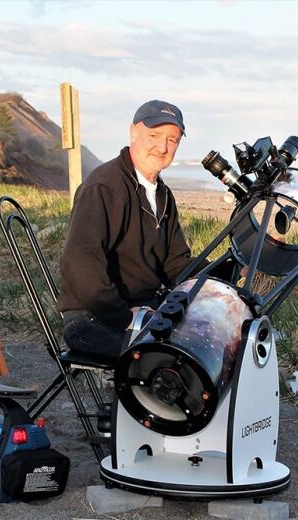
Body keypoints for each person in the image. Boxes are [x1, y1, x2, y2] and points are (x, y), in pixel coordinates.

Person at [56, 100, 199, 360]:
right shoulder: (104, 187)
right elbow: (79, 264)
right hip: (93, 317)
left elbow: (177, 266)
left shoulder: (163, 195)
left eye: (172, 140)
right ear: (133, 132)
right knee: (173, 362)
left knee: (205, 344)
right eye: (154, 135)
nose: (163, 147)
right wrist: (123, 317)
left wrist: (231, 271)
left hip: (143, 310)